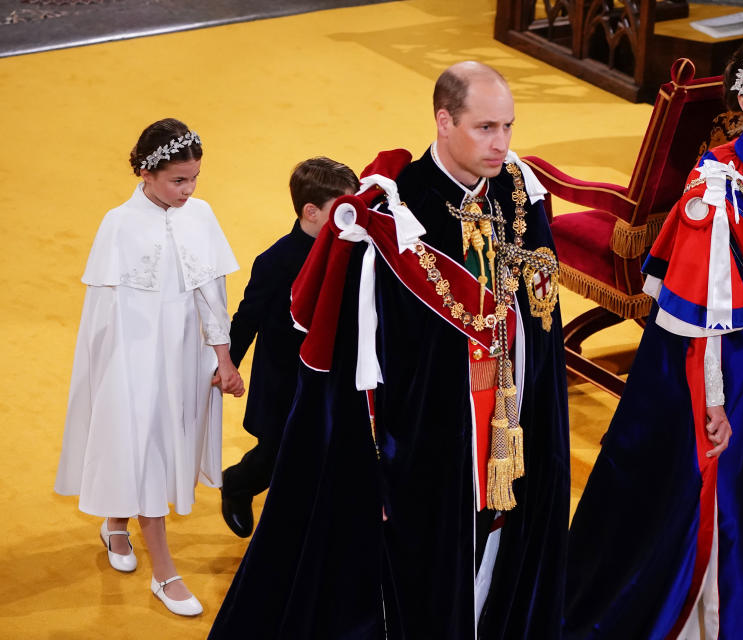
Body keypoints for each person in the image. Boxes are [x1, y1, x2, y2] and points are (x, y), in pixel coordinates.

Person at [208, 61, 570, 639]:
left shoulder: (519, 192)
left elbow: (541, 320)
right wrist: (372, 468)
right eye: (485, 128)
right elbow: (358, 369)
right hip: (429, 447)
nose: (500, 143)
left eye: (508, 127)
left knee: (498, 561)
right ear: (444, 120)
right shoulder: (392, 217)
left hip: (509, 432)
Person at [563, 31, 743, 640]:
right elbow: (696, 313)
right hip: (737, 375)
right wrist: (713, 401)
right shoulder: (717, 186)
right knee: (727, 506)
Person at [55, 118, 244, 617]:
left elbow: (212, 294)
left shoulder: (201, 215)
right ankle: (165, 574)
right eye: (178, 180)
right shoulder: (118, 223)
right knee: (146, 449)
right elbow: (104, 318)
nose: (189, 190)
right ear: (145, 172)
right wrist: (120, 377)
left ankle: (116, 522)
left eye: (194, 178)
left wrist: (223, 358)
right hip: (133, 364)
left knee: (159, 444)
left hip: (186, 359)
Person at [217, 157, 360, 538]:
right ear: (311, 212)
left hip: (334, 374)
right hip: (285, 381)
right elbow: (247, 317)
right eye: (343, 211)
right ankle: (239, 484)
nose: (354, 217)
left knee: (325, 451)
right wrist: (227, 363)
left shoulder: (355, 250)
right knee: (276, 454)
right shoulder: (276, 261)